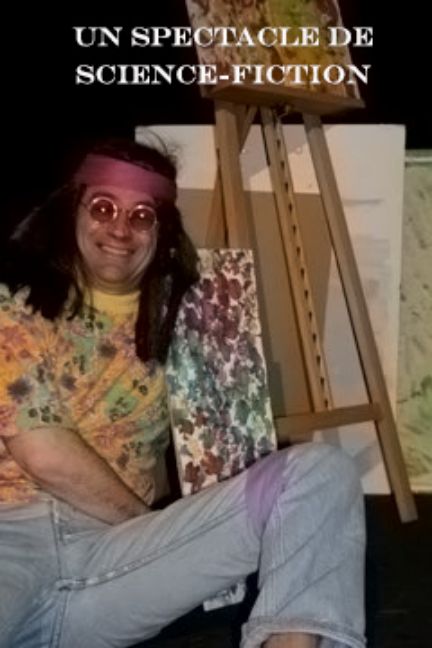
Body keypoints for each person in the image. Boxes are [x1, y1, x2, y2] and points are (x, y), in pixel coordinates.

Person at [0, 137, 366, 648]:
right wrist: (159, 531)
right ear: (72, 212)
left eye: (142, 216)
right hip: (15, 535)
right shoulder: (14, 304)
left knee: (322, 472)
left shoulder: (193, 317)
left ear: (162, 231)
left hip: (114, 562)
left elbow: (227, 447)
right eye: (103, 208)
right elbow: (44, 452)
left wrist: (189, 540)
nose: (120, 229)